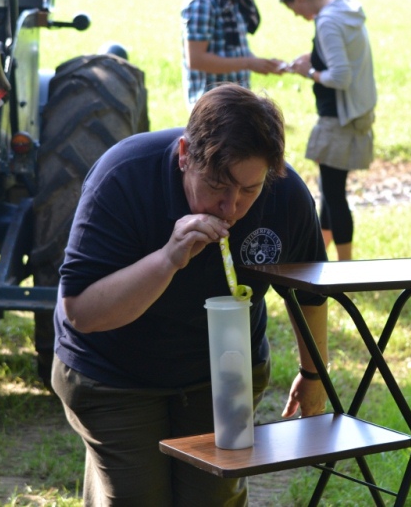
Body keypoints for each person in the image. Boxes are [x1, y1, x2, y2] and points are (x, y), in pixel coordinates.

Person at [51, 83, 329, 506]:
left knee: (213, 497)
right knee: (136, 499)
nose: (231, 207)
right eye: (218, 185)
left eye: (249, 190)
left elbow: (309, 291)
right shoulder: (124, 176)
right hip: (113, 372)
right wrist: (168, 259)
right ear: (184, 155)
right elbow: (82, 312)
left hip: (223, 374)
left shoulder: (284, 193)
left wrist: (313, 374)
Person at [278, 0, 377, 261]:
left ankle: (345, 268)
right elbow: (342, 57)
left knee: (333, 195)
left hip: (338, 118)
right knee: (329, 189)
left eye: (293, 9)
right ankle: (318, 258)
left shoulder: (327, 22)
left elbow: (340, 76)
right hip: (353, 113)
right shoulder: (342, 6)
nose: (297, 16)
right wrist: (314, 58)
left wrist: (309, 72)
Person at [181, 0, 285, 106]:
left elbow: (233, 50)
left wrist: (262, 64)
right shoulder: (202, 3)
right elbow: (196, 60)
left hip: (235, 103)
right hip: (212, 106)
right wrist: (249, 63)